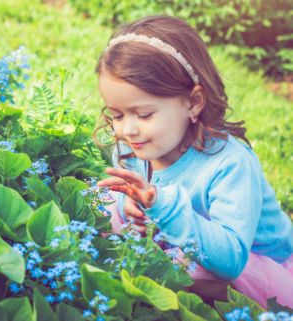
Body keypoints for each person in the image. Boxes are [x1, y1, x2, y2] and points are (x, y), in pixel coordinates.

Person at [93, 15, 293, 308]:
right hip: (183, 240)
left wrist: (161, 204)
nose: (128, 130)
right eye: (118, 115)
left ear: (194, 102)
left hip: (254, 264)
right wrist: (131, 207)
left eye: (145, 114)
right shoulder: (131, 148)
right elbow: (137, 205)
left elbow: (230, 260)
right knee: (103, 206)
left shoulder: (229, 163)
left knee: (191, 267)